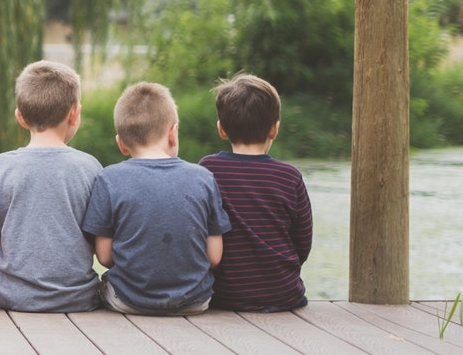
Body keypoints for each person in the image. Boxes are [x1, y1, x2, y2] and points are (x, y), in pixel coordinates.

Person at [81, 81, 229, 315]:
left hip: (128, 301)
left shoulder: (108, 179)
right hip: (194, 302)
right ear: (173, 133)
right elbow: (214, 257)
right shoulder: (203, 178)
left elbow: (105, 257)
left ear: (121, 143)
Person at [0, 61, 104, 312]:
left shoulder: (1, 166)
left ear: (20, 117)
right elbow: (96, 238)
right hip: (77, 298)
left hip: (11, 296)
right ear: (74, 113)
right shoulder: (90, 167)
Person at [200, 74, 313, 312]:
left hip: (223, 295)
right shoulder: (289, 177)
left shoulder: (207, 170)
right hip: (285, 294)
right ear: (274, 129)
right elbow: (303, 243)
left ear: (221, 129)